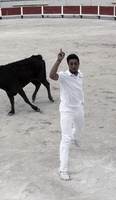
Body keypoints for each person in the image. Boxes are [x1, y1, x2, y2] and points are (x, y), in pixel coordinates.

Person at [49, 49, 84, 181]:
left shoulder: (80, 74)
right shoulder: (63, 76)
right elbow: (52, 76)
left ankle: (75, 136)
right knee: (66, 139)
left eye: (75, 63)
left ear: (78, 64)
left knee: (79, 129)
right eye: (71, 64)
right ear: (68, 64)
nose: (73, 66)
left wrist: (81, 102)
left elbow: (78, 90)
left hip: (78, 107)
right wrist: (58, 60)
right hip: (66, 110)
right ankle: (62, 170)